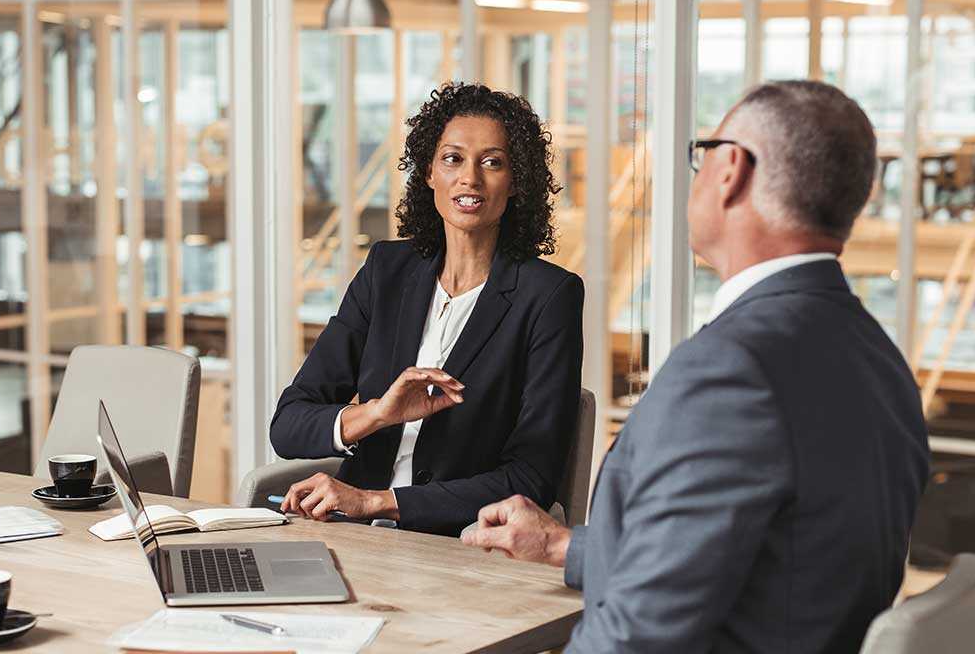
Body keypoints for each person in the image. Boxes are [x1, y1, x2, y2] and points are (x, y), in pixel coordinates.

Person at [463, 80, 930, 653]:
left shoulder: (731, 372)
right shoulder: (873, 353)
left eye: (701, 156)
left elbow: (637, 639)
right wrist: (565, 546)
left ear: (730, 170)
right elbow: (767, 557)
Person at [270, 82, 584, 537]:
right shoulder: (386, 271)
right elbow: (288, 425)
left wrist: (378, 501)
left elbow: (532, 477)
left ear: (516, 182)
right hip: (356, 536)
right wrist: (379, 413)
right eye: (452, 159)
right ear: (429, 174)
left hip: (463, 542)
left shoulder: (550, 295)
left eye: (492, 162)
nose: (469, 178)